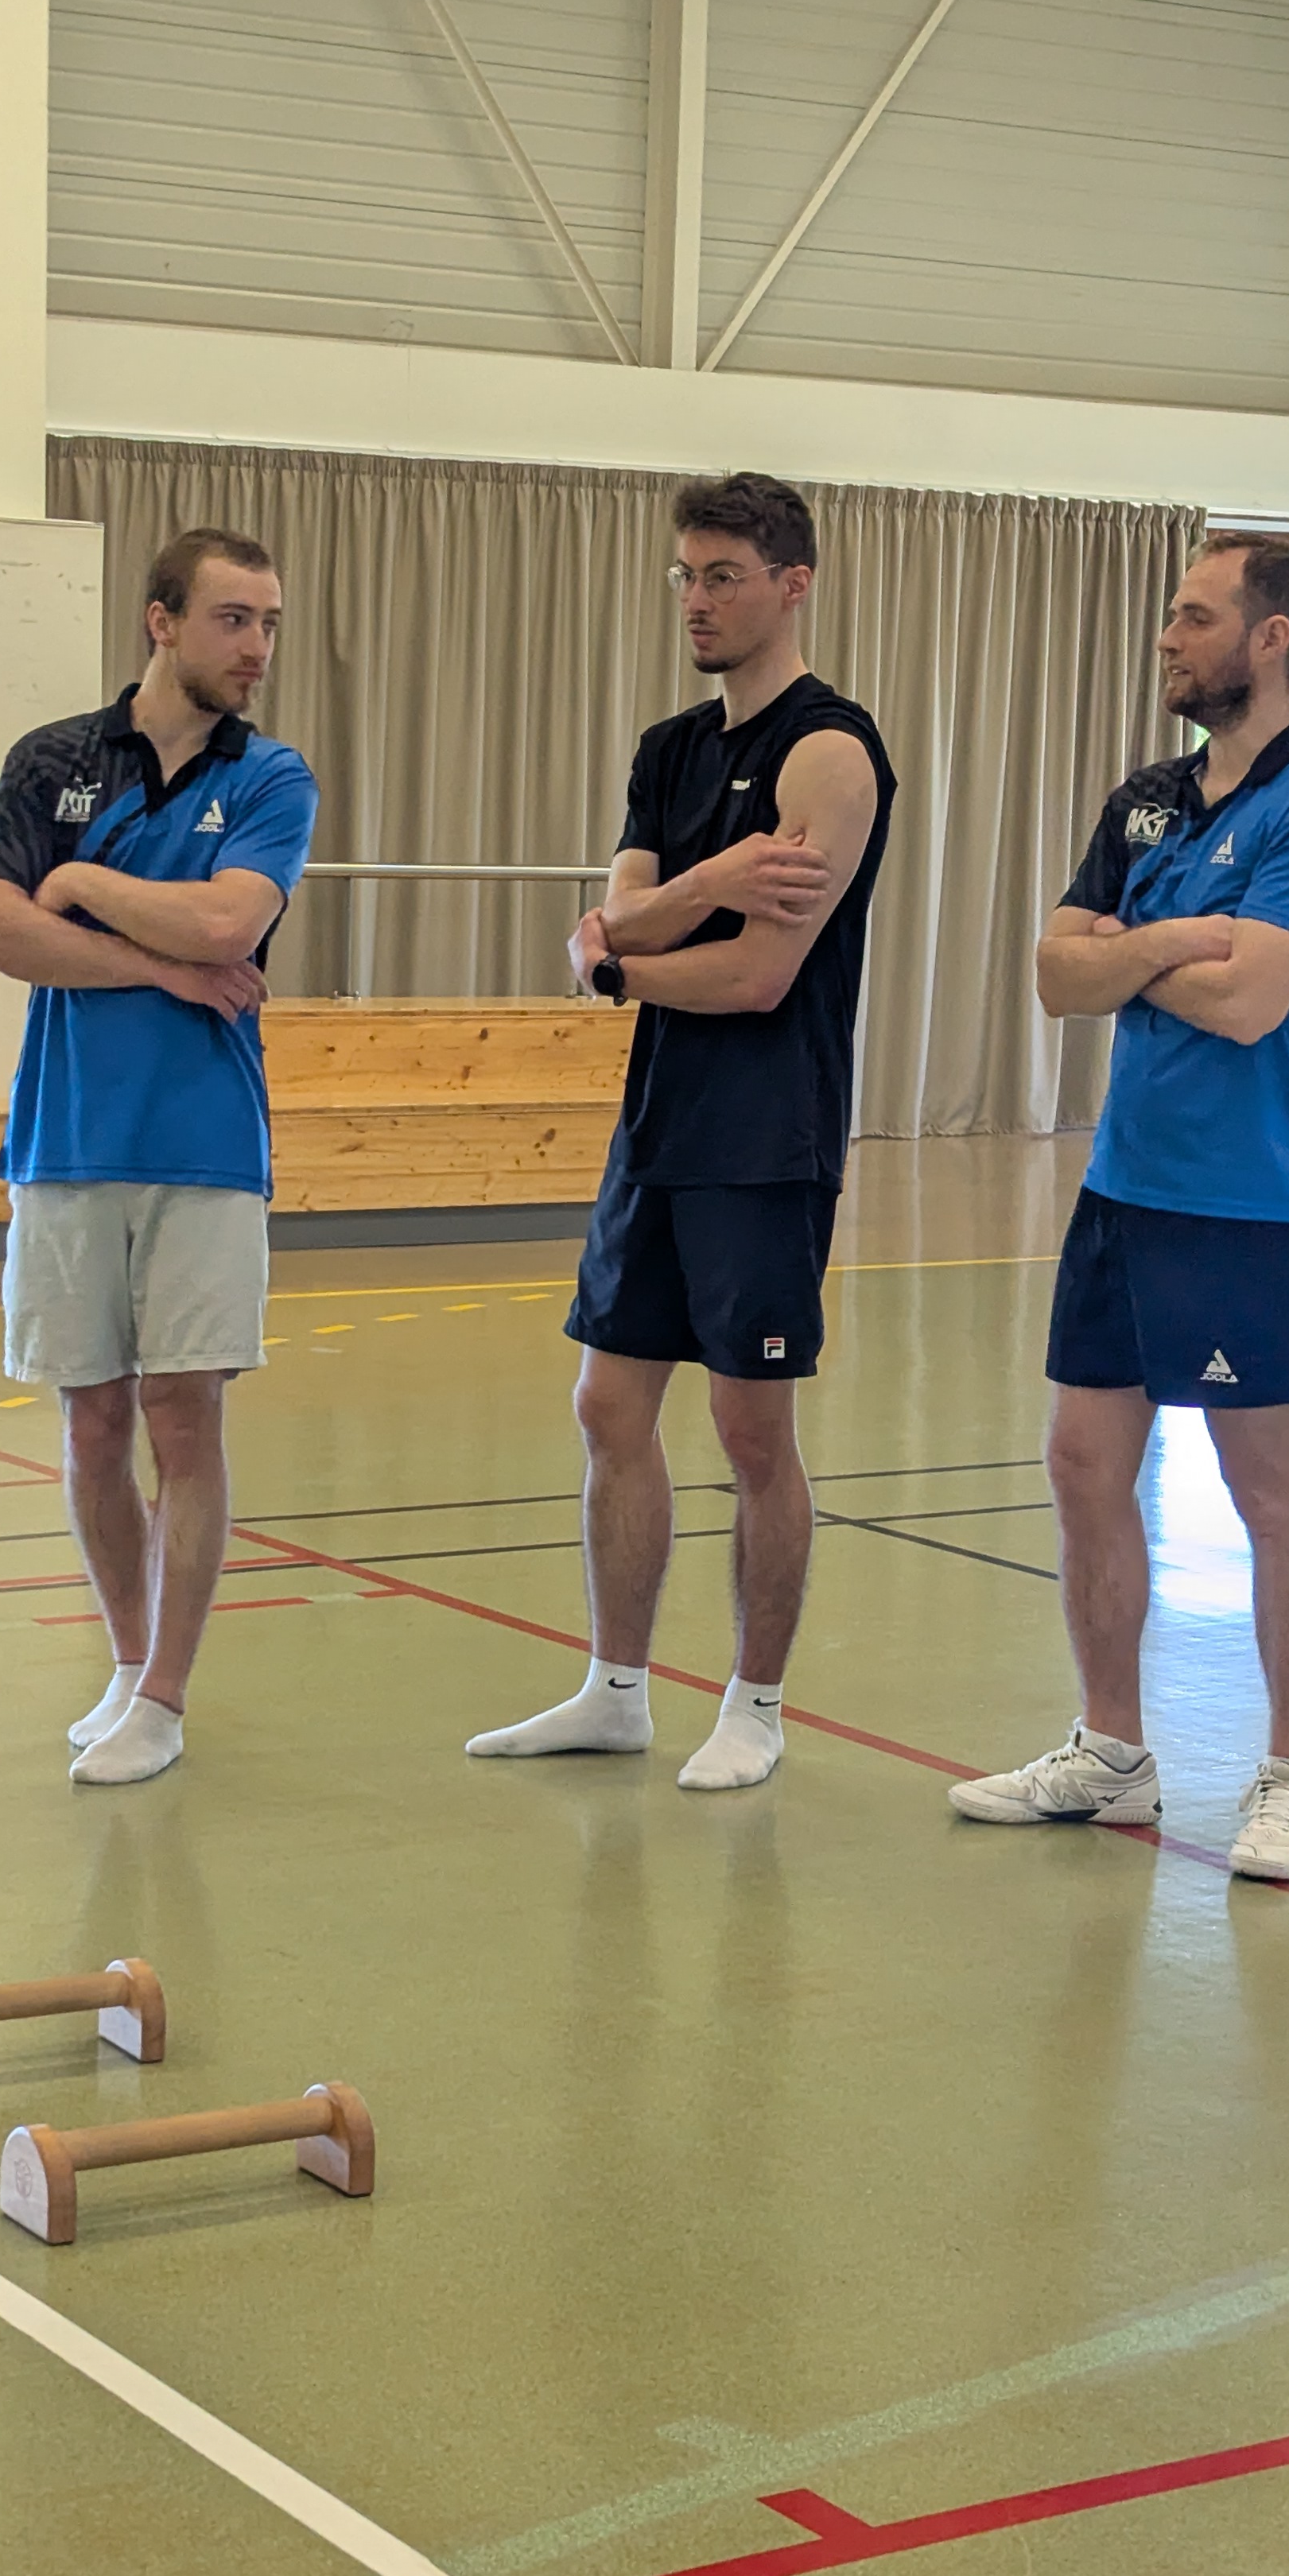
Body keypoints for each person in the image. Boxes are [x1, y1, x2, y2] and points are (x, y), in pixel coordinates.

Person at [952, 532, 1289, 1880]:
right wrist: (1172, 945)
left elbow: (1256, 1004)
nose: (1166, 639)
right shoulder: (1146, 801)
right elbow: (1050, 974)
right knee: (1083, 1464)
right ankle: (1115, 1754)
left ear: (1269, 639)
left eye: (1193, 618)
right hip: (1119, 1192)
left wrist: (1122, 959)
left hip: (1242, 1205)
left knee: (1263, 1490)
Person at [468, 469, 896, 1792]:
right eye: (686, 576)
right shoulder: (670, 751)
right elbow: (615, 923)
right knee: (609, 1404)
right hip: (659, 1124)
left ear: (793, 584)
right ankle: (616, 1688)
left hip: (768, 1135)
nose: (698, 600)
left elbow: (755, 977)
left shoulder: (832, 753)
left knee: (752, 1431)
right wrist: (703, 885)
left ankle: (756, 1704)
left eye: (723, 576)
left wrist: (622, 955)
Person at [0, 527, 318, 1786]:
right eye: (234, 619)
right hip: (63, 1136)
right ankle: (124, 1666)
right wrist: (168, 961)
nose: (258, 647)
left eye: (269, 622)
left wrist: (78, 888)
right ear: (161, 621)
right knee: (93, 1419)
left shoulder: (275, 779)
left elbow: (233, 917)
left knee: (187, 1415)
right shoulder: (52, 758)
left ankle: (166, 1697)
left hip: (206, 1145)